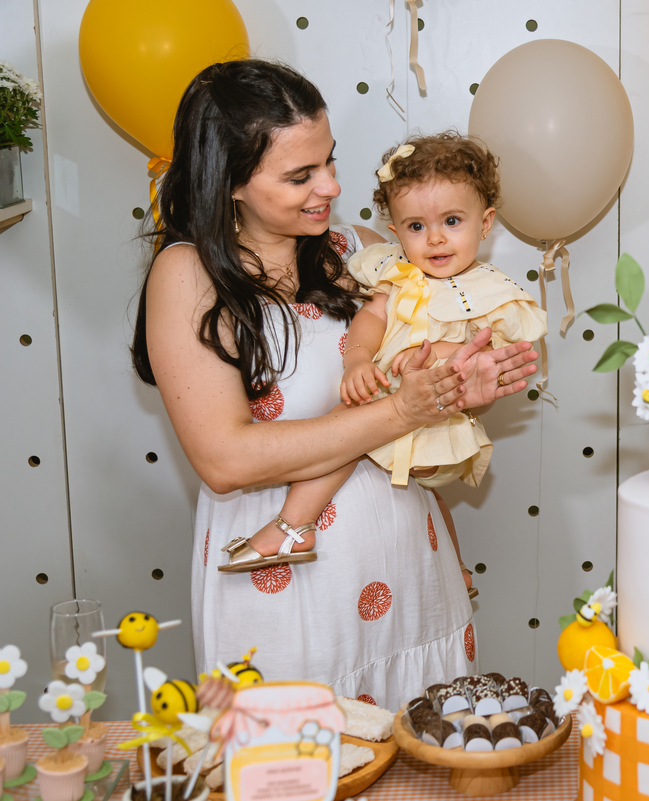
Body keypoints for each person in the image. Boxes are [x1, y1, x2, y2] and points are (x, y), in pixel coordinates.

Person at [131, 59, 539, 706]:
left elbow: (417, 390)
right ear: (230, 182)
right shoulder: (189, 275)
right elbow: (225, 459)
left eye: (329, 160)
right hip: (288, 593)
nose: (329, 185)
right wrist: (405, 410)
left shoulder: (365, 248)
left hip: (409, 570)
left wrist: (460, 389)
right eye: (300, 175)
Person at [221, 132, 548, 571]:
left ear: (485, 223)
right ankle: (456, 567)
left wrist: (451, 354)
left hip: (442, 416)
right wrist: (357, 358)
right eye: (416, 227)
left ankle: (293, 524)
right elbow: (372, 318)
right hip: (398, 397)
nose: (434, 240)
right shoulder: (395, 273)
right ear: (395, 232)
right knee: (365, 432)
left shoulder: (492, 292)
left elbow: (500, 350)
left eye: (452, 221)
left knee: (370, 438)